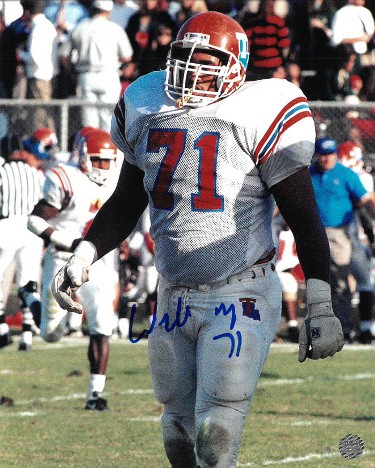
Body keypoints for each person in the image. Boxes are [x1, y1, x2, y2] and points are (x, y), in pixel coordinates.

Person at [52, 12, 344, 466]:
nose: (192, 71)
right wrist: (85, 251)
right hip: (172, 293)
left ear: (236, 67)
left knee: (216, 429)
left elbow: (304, 217)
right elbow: (128, 199)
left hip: (241, 288)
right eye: (184, 58)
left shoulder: (260, 109)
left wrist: (320, 301)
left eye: (207, 61)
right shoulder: (147, 102)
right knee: (176, 430)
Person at [27, 128, 119, 410]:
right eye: (97, 160)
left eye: (107, 161)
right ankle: (30, 297)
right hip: (63, 257)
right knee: (51, 333)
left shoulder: (116, 178)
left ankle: (95, 395)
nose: (103, 167)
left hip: (95, 260)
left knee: (103, 323)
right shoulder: (65, 177)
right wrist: (71, 243)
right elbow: (35, 222)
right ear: (82, 157)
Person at [310, 137, 374, 341]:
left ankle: (345, 328)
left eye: (330, 154)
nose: (326, 158)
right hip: (314, 233)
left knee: (340, 281)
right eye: (323, 154)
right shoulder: (309, 174)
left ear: (336, 154)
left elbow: (365, 201)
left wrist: (370, 231)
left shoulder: (346, 175)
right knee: (318, 282)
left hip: (340, 233)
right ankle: (319, 328)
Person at [59, 0, 133, 131]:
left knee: (89, 121)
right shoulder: (115, 29)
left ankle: (90, 149)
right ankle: (107, 149)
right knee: (108, 119)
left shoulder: (80, 27)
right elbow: (127, 56)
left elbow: (64, 55)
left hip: (86, 76)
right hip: (108, 75)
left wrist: (72, 73)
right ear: (108, 11)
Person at [0, 136, 45, 350]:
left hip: (7, 225)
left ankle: (1, 327)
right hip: (31, 228)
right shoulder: (36, 174)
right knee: (29, 283)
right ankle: (27, 333)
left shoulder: (2, 171)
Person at [337, 141, 375, 343]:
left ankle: (365, 327)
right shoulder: (348, 176)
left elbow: (366, 205)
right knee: (348, 284)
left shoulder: (358, 177)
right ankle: (355, 327)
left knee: (362, 282)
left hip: (359, 235)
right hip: (350, 235)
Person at [17, 0, 60, 132]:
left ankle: (40, 146)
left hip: (39, 78)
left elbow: (35, 58)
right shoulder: (47, 25)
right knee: (46, 114)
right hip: (49, 77)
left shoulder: (38, 27)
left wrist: (20, 54)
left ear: (27, 12)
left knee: (38, 116)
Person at [239, 0, 291, 80]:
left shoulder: (278, 22)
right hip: (256, 68)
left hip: (274, 69)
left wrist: (283, 67)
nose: (268, 5)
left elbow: (284, 46)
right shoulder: (252, 22)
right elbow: (246, 44)